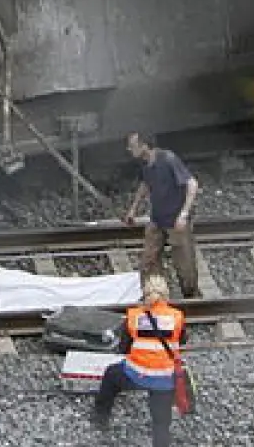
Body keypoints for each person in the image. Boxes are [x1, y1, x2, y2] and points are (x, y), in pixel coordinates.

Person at [92, 274, 186, 447]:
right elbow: (183, 341)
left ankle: (100, 419)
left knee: (111, 375)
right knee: (161, 422)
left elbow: (123, 348)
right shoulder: (177, 317)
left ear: (145, 294)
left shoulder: (135, 316)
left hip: (136, 374)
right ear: (166, 295)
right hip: (164, 378)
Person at [124, 132, 202, 299]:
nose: (129, 149)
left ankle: (191, 297)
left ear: (144, 145)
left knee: (184, 264)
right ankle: (155, 295)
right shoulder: (145, 164)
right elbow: (145, 184)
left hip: (176, 219)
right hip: (157, 219)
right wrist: (133, 209)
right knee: (149, 260)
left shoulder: (168, 159)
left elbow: (192, 184)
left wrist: (184, 214)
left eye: (132, 146)